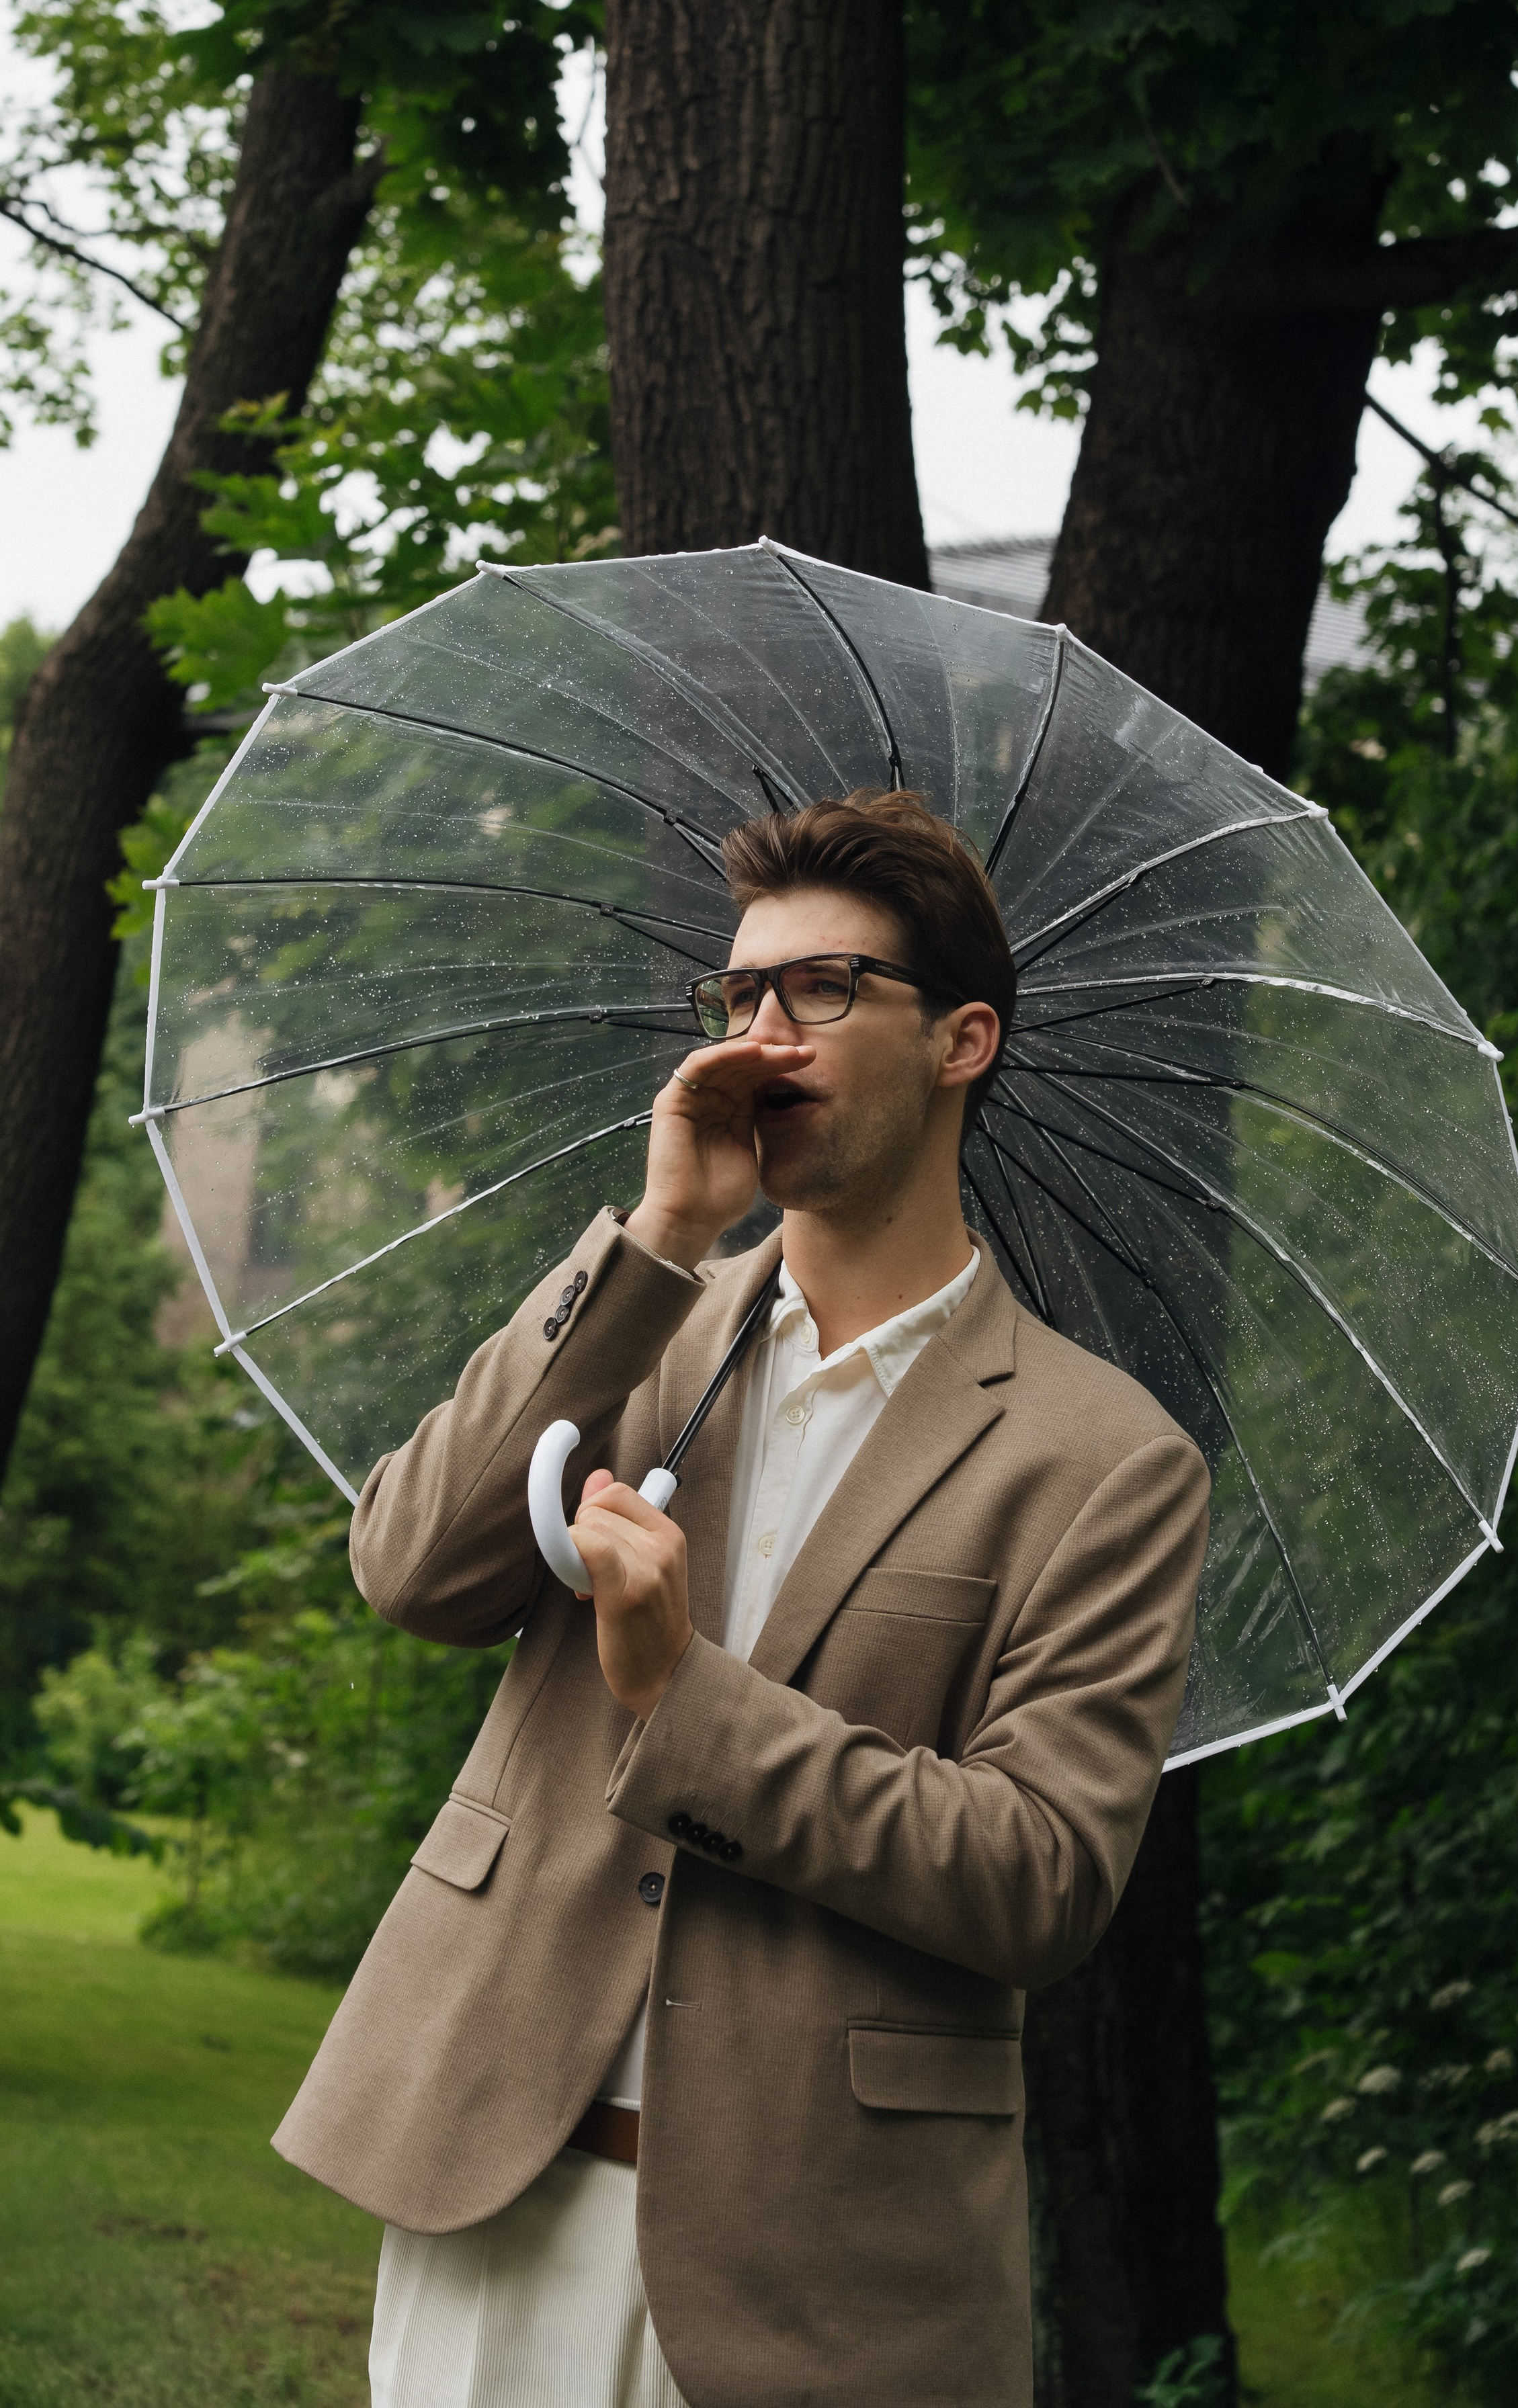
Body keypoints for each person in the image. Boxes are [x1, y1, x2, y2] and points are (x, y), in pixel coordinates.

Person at [274, 789, 1211, 2408]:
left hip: (824, 2269)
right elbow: (413, 1566)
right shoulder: (639, 1325)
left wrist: (678, 1693)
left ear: (960, 1040)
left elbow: (1036, 1879)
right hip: (499, 2179)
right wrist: (663, 1230)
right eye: (738, 996)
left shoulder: (1103, 1461)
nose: (760, 1034)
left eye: (821, 990)